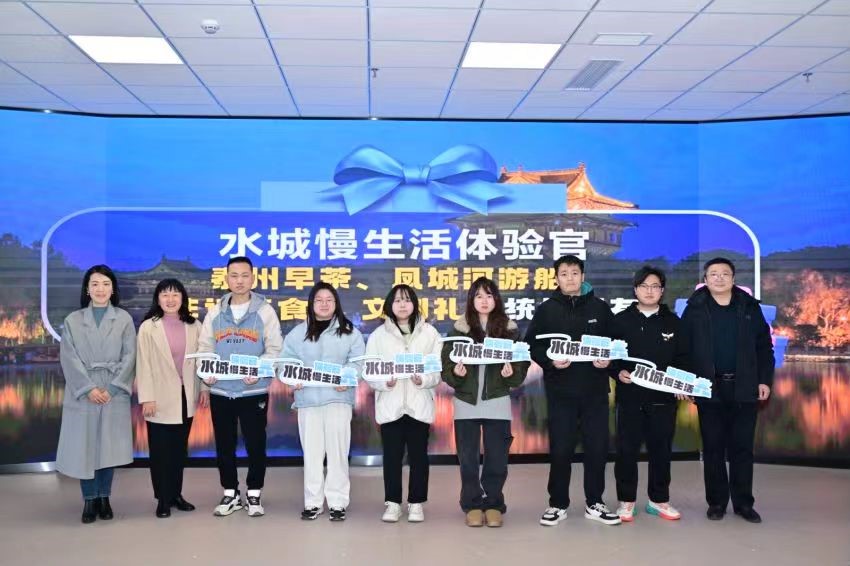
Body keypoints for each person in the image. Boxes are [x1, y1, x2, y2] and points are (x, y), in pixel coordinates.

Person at [525, 254, 621, 527]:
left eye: (575, 273)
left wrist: (609, 360)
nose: (570, 278)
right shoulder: (547, 310)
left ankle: (595, 502)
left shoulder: (600, 308)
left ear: (583, 276)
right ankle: (557, 504)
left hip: (595, 391)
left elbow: (617, 344)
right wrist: (550, 361)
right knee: (561, 450)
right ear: (556, 278)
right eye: (564, 273)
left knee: (597, 448)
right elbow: (532, 345)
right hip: (561, 392)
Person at [680, 257, 774, 524]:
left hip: (745, 387)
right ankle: (717, 503)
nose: (719, 278)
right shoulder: (695, 309)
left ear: (733, 279)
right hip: (709, 388)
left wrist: (764, 380)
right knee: (713, 448)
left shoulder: (749, 307)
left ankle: (744, 503)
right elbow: (683, 349)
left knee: (742, 449)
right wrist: (686, 382)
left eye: (724, 273)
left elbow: (764, 347)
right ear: (705, 279)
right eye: (713, 274)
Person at [198, 256, 283, 518]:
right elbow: (205, 348)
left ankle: (254, 493)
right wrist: (207, 372)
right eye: (234, 275)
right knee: (224, 445)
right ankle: (230, 492)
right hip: (221, 391)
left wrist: (258, 369)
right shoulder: (215, 312)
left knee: (256, 444)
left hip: (252, 391)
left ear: (253, 278)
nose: (239, 280)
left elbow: (275, 349)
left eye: (245, 275)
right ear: (226, 279)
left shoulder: (265, 312)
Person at [442, 277, 529, 528]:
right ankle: (471, 504)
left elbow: (521, 364)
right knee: (468, 458)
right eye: (479, 296)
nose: (484, 301)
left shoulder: (510, 330)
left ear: (496, 299)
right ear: (471, 300)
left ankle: (493, 503)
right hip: (466, 403)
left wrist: (510, 373)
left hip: (497, 401)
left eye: (489, 295)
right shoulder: (459, 330)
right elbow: (446, 365)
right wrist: (456, 373)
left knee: (497, 458)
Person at [56, 265, 136, 524]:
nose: (100, 289)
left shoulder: (124, 319)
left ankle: (105, 497)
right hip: (83, 391)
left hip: (114, 390)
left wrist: (113, 387)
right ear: (87, 289)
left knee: (108, 447)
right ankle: (89, 499)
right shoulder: (73, 320)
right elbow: (69, 358)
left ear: (113, 289)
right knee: (85, 446)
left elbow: (130, 356)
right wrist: (89, 388)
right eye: (95, 284)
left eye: (105, 284)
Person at [609, 266, 689, 522]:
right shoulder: (620, 321)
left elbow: (683, 358)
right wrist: (617, 371)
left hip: (663, 400)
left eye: (655, 286)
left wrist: (681, 382)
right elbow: (610, 356)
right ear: (635, 290)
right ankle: (626, 501)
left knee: (661, 451)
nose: (649, 291)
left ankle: (659, 500)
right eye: (644, 286)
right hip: (630, 398)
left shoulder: (674, 322)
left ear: (662, 291)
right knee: (626, 452)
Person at [283, 282, 365, 522]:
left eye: (329, 300)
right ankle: (313, 502)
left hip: (338, 399)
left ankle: (338, 502)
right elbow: (284, 362)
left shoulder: (350, 332)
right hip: (307, 401)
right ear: (311, 304)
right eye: (319, 300)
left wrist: (347, 377)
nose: (324, 304)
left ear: (336, 303)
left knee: (338, 453)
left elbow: (359, 362)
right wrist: (293, 378)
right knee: (312, 454)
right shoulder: (297, 333)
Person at [365, 284, 442, 523]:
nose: (402, 305)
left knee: (419, 457)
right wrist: (384, 382)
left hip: (419, 405)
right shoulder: (378, 335)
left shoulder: (430, 333)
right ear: (390, 304)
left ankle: (416, 503)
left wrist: (424, 379)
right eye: (397, 300)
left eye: (407, 300)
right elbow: (370, 370)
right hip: (391, 405)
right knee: (392, 457)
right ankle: (393, 503)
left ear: (414, 304)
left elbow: (436, 370)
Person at [136, 278, 204, 518]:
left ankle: (176, 494)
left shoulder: (195, 325)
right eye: (165, 294)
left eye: (175, 294)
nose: (170, 299)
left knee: (178, 450)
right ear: (158, 299)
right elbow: (143, 364)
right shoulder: (148, 327)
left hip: (186, 396)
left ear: (183, 298)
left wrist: (204, 389)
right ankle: (162, 499)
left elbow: (203, 360)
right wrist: (147, 397)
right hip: (159, 397)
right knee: (160, 452)